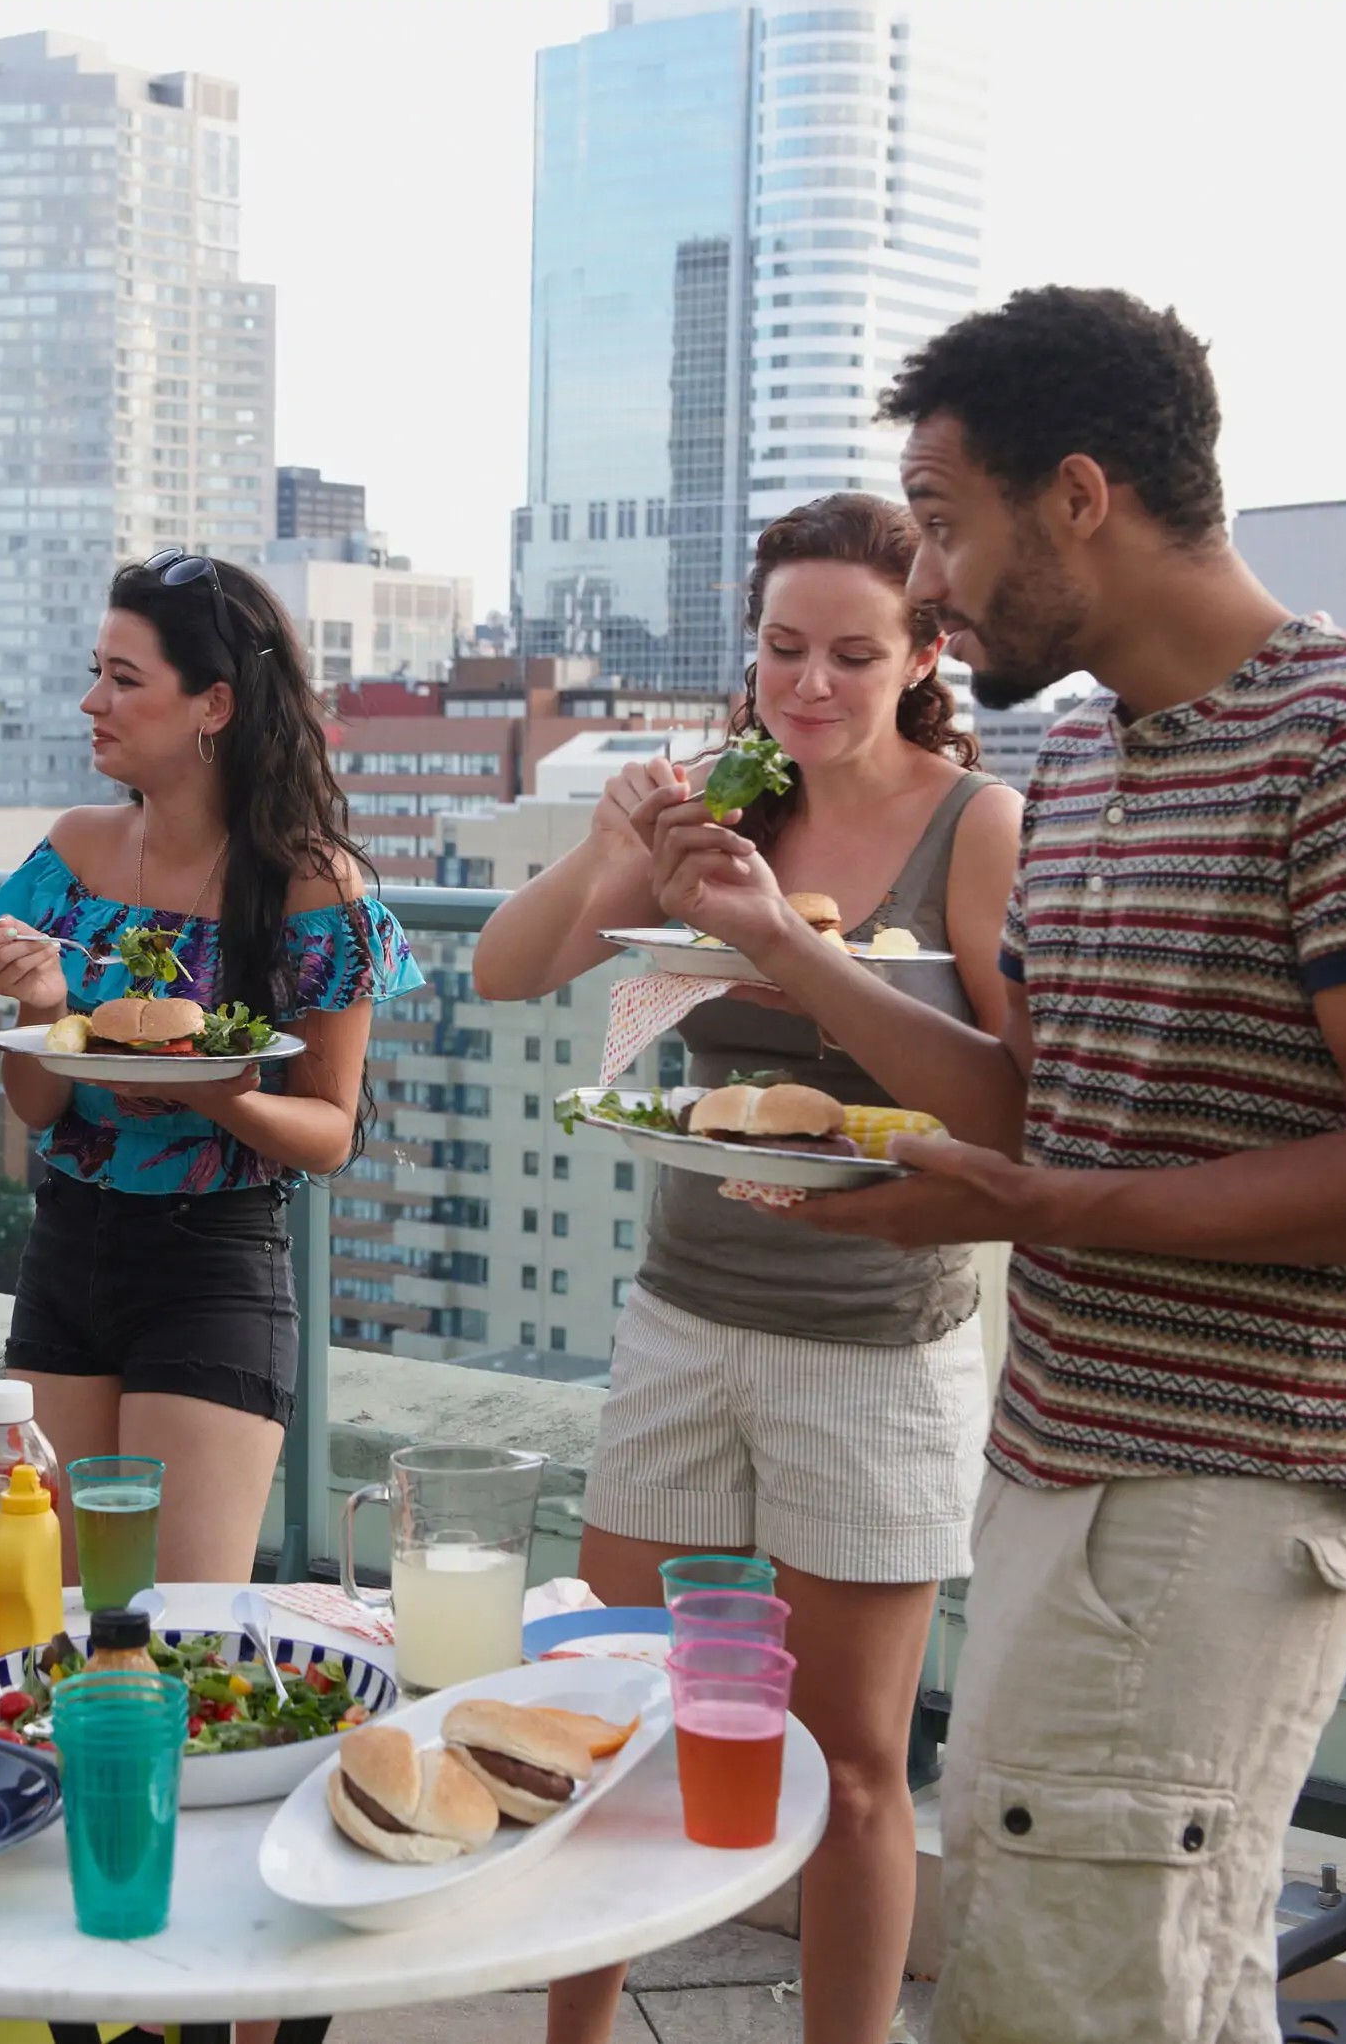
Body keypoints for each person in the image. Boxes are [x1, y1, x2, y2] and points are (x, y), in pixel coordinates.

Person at [650, 288, 1346, 2043]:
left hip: (1225, 1487)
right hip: (1056, 1456)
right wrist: (794, 954)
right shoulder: (1086, 753)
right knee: (1054, 1976)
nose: (936, 590)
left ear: (1080, 495)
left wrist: (1036, 1212)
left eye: (948, 526)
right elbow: (1045, 1101)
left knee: (1096, 2000)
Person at [476, 493, 1018, 2044]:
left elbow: (1009, 1090)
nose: (811, 684)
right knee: (618, 1705)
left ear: (922, 653)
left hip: (878, 1337)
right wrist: (613, 851)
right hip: (686, 1313)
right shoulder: (732, 793)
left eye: (855, 651)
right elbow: (514, 972)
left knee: (850, 1759)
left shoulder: (971, 823)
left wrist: (795, 944)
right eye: (784, 647)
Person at [0, 553, 421, 1583]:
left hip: (213, 1262)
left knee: (171, 1625)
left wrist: (231, 1095)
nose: (93, 701)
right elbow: (39, 1105)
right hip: (67, 1241)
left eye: (125, 679)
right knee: (50, 1616)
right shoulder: (71, 854)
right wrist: (41, 1004)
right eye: (97, 672)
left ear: (213, 702)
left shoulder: (309, 884)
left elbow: (333, 1130)